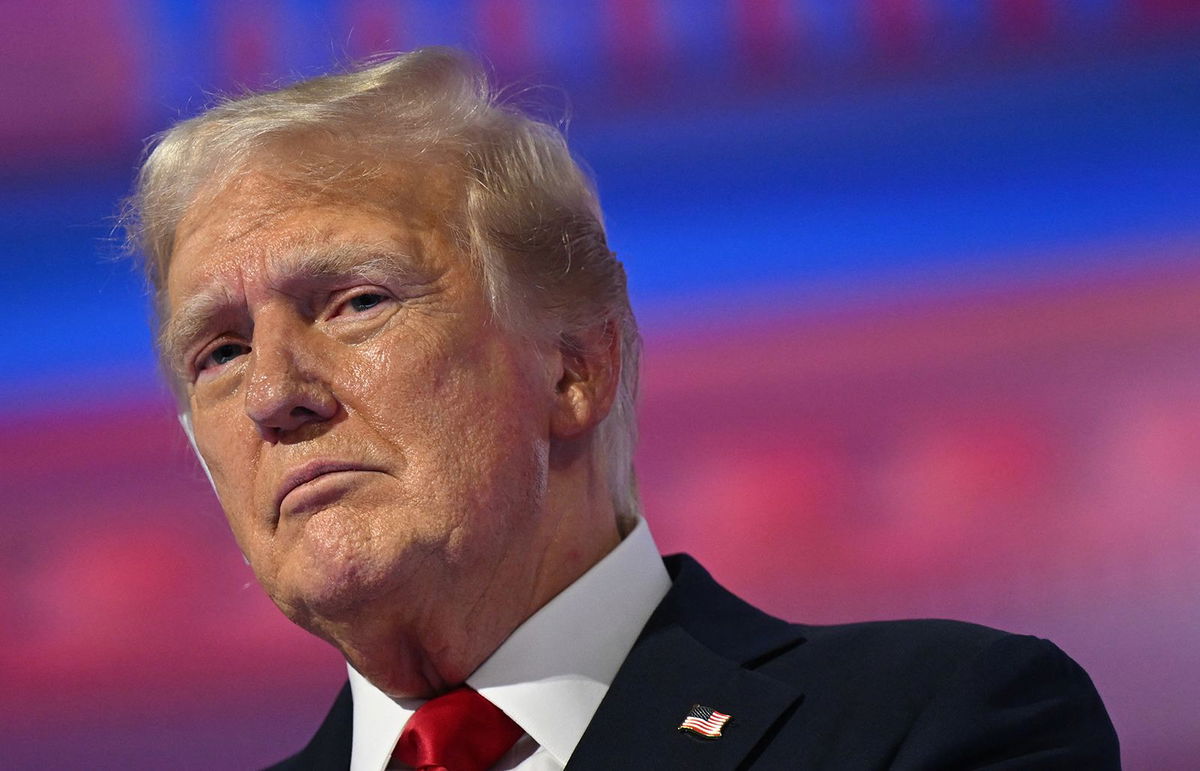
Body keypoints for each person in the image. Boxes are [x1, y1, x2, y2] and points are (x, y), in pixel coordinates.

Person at [125, 47, 1119, 770]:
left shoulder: (937, 726)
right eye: (218, 352)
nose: (271, 396)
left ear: (573, 366)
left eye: (355, 302)